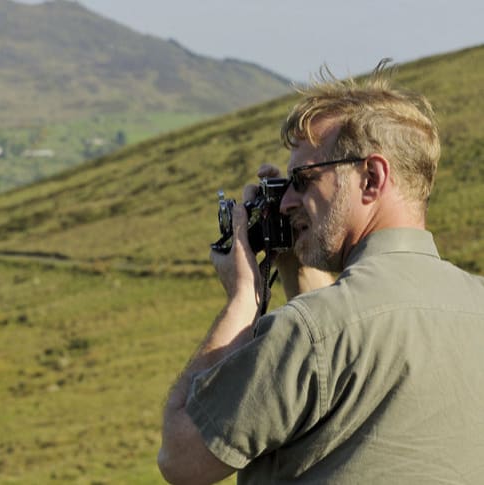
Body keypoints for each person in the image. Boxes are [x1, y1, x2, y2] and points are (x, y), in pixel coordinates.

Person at [158, 61, 484, 484]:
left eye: (304, 180)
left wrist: (243, 300)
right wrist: (295, 266)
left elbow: (182, 457)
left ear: (371, 177)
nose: (288, 202)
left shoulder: (310, 331)